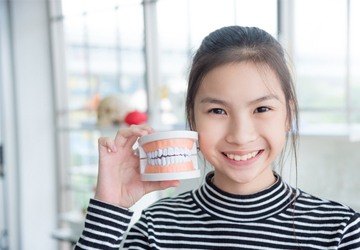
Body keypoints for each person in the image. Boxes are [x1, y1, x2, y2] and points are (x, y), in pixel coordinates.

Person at [75, 26, 360, 249]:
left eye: (262, 108)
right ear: (192, 118)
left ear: (288, 115)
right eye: (217, 110)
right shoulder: (156, 229)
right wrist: (109, 207)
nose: (240, 135)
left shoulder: (340, 231)